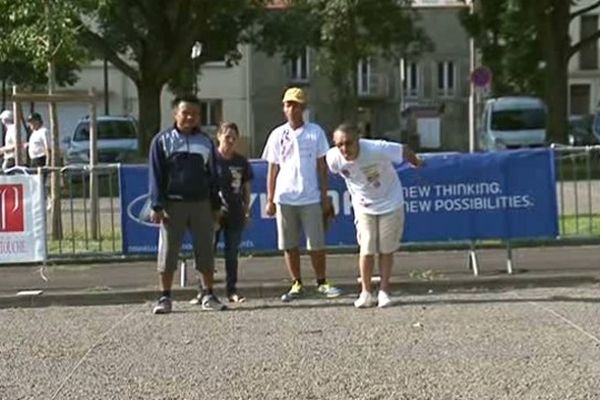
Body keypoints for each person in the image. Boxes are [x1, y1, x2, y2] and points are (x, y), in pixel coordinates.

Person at [326, 123, 423, 308]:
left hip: (390, 200)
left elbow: (403, 150)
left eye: (349, 143)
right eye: (340, 145)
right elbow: (345, 174)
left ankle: (384, 291)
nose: (344, 149)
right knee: (367, 246)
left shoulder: (376, 148)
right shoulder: (333, 159)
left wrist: (416, 162)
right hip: (363, 206)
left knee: (386, 248)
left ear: (359, 139)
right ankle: (365, 292)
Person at [261, 87, 341, 302]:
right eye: (288, 104)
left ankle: (322, 282)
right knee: (289, 244)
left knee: (316, 243)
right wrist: (270, 199)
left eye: (296, 105)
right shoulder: (277, 134)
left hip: (310, 196)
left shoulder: (315, 132)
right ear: (284, 108)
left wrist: (324, 196)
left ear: (303, 108)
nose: (292, 109)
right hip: (285, 197)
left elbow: (322, 166)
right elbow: (272, 168)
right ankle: (296, 283)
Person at [148, 94, 225, 314]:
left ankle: (208, 294)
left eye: (195, 114)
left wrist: (215, 204)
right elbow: (156, 174)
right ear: (176, 114)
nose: (190, 117)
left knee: (205, 251)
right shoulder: (162, 141)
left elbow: (213, 175)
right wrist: (157, 205)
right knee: (168, 252)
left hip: (201, 204)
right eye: (185, 113)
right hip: (173, 205)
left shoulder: (206, 142)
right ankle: (165, 297)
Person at [211, 122, 254, 303]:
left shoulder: (240, 162)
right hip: (212, 213)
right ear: (219, 136)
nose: (230, 141)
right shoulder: (210, 159)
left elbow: (246, 188)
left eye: (233, 138)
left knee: (232, 253)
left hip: (235, 212)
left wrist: (246, 211)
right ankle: (204, 291)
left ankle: (232, 291)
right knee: (207, 252)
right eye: (227, 136)